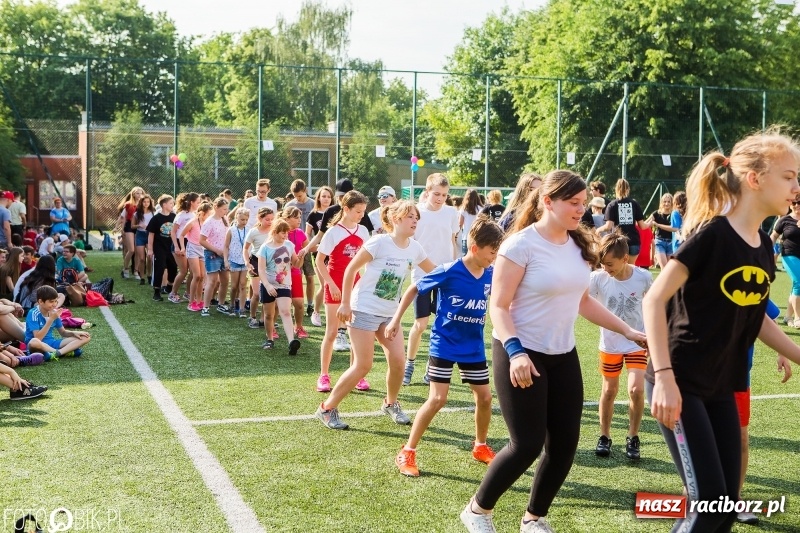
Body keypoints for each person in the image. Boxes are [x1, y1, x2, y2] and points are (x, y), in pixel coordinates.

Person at [459, 170, 645, 533]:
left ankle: (534, 517)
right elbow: (499, 305)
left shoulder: (579, 244)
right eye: (573, 204)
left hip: (563, 354)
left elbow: (584, 300)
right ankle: (478, 510)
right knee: (526, 444)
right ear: (547, 202)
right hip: (520, 351)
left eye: (582, 204)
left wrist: (628, 330)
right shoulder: (520, 245)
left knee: (564, 445)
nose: (581, 210)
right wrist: (515, 352)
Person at [643, 130, 800, 532]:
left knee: (723, 509)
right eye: (789, 177)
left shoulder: (764, 245)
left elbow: (758, 318)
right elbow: (653, 300)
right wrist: (663, 379)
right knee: (710, 504)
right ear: (755, 179)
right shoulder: (711, 235)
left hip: (720, 386)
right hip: (679, 382)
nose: (796, 187)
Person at [388, 216, 504, 477]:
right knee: (438, 399)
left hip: (473, 346)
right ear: (474, 248)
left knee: (485, 398)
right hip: (445, 344)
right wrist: (396, 319)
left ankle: (480, 446)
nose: (493, 258)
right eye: (491, 253)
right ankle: (408, 451)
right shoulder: (449, 270)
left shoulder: (491, 273)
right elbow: (413, 290)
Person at [315, 200, 435, 430]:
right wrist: (346, 303)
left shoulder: (415, 247)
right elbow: (351, 269)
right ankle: (327, 408)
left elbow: (436, 272)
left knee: (399, 361)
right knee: (363, 365)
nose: (415, 221)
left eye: (416, 218)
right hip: (363, 309)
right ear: (397, 219)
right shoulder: (379, 242)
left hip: (389, 315)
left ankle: (390, 403)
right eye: (411, 217)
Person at [589, 231, 652, 460]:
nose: (606, 268)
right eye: (602, 264)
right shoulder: (598, 279)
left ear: (625, 259)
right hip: (610, 344)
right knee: (609, 390)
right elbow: (581, 300)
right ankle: (604, 436)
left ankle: (633, 436)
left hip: (636, 342)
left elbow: (654, 304)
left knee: (636, 390)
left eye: (610, 264)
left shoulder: (643, 277)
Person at [403, 173, 460, 385]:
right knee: (420, 325)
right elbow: (410, 243)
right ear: (427, 192)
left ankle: (431, 368)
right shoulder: (417, 213)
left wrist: (456, 268)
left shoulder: (452, 213)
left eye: (444, 195)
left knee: (442, 324)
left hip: (446, 276)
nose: (440, 198)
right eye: (436, 194)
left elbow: (454, 241)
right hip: (422, 275)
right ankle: (409, 365)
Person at [314, 191, 370, 393]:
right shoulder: (333, 232)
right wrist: (331, 284)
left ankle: (356, 375)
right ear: (346, 209)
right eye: (357, 211)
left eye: (363, 211)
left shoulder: (363, 231)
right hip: (335, 287)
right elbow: (320, 261)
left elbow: (366, 261)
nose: (361, 215)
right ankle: (324, 375)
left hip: (356, 288)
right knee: (331, 332)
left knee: (355, 332)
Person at [257, 218, 302, 355]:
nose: (285, 236)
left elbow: (296, 265)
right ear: (275, 232)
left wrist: (300, 258)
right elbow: (261, 270)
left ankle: (291, 342)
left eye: (287, 233)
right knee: (269, 315)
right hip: (268, 284)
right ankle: (269, 339)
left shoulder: (289, 245)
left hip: (284, 285)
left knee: (285, 311)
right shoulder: (265, 248)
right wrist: (267, 285)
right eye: (283, 233)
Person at [25, 285, 90, 359]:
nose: (54, 304)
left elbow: (63, 332)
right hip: (38, 345)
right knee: (34, 342)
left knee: (85, 337)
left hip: (52, 343)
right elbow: (38, 337)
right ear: (40, 301)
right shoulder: (33, 313)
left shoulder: (54, 312)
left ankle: (58, 353)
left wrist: (73, 333)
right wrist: (51, 320)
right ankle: (63, 352)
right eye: (51, 302)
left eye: (56, 301)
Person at [596, 178, 648, 264]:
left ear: (616, 189)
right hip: (633, 241)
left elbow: (608, 226)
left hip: (619, 243)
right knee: (630, 269)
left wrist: (598, 230)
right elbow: (642, 226)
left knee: (619, 270)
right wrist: (651, 222)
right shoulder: (634, 204)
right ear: (628, 189)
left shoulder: (612, 205)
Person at [286, 179, 316, 316]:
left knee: (309, 276)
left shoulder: (313, 204)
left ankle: (310, 304)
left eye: (300, 195)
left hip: (306, 244)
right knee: (293, 276)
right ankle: (293, 304)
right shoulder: (290, 205)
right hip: (292, 246)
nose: (297, 198)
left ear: (305, 191)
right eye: (295, 195)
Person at [306, 186, 333, 327]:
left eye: (328, 196)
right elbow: (308, 236)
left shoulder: (336, 213)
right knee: (324, 285)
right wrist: (310, 247)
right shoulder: (313, 215)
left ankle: (334, 314)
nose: (326, 199)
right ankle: (316, 312)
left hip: (335, 255)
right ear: (318, 198)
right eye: (323, 196)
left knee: (335, 285)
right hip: (320, 254)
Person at [771, 196, 800, 328]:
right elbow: (774, 236)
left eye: (799, 203)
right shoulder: (785, 219)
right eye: (794, 203)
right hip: (789, 255)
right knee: (799, 282)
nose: (796, 205)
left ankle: (788, 316)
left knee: (796, 285)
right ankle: (798, 318)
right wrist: (765, 249)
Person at [243, 207, 275, 329]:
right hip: (255, 263)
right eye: (267, 219)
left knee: (267, 293)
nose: (270, 222)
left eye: (272, 219)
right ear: (260, 218)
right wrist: (247, 262)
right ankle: (252, 317)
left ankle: (264, 319)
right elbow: (245, 248)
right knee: (256, 293)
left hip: (269, 264)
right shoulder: (253, 232)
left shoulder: (273, 231)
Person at [199, 198, 230, 317]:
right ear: (216, 207)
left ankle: (221, 304)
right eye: (224, 209)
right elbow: (201, 240)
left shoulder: (224, 219)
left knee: (225, 281)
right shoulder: (209, 222)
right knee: (211, 281)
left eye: (227, 209)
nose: (226, 211)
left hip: (224, 254)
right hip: (212, 254)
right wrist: (216, 250)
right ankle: (205, 307)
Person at [180, 200, 212, 312]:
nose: (210, 216)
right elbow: (181, 235)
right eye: (209, 214)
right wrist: (182, 247)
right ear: (202, 213)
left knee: (202, 276)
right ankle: (191, 301)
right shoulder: (193, 222)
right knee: (197, 275)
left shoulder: (207, 223)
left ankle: (199, 301)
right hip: (192, 248)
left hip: (202, 249)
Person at [284, 206, 309, 337]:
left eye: (300, 217)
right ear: (287, 218)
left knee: (298, 303)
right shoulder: (279, 232)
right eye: (296, 217)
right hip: (280, 274)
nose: (300, 220)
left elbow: (309, 246)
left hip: (295, 272)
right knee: (278, 305)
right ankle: (272, 329)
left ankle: (298, 327)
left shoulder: (300, 233)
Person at [146, 194, 177, 302]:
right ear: (164, 205)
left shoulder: (174, 217)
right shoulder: (156, 218)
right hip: (159, 247)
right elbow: (151, 234)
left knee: (173, 267)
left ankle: (169, 285)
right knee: (160, 267)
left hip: (171, 247)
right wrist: (150, 249)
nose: (173, 205)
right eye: (170, 203)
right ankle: (157, 291)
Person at [223, 207, 250, 318]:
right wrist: (226, 260)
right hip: (233, 260)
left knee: (243, 285)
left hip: (244, 261)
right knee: (234, 286)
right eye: (242, 219)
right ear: (236, 218)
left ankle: (242, 308)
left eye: (246, 220)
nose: (244, 222)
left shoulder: (248, 230)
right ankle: (232, 305)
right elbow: (225, 246)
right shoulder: (231, 230)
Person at [115, 187, 143, 277]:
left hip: (139, 228)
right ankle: (126, 268)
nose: (139, 195)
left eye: (140, 193)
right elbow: (122, 217)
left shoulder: (144, 204)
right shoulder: (129, 205)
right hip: (129, 227)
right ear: (133, 194)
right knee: (131, 250)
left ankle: (136, 271)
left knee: (138, 252)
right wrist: (116, 227)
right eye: (137, 193)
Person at [646, 193, 676, 269]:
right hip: (660, 242)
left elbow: (674, 228)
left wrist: (657, 224)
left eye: (669, 202)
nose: (666, 204)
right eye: (665, 201)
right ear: (662, 203)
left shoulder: (673, 214)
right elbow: (646, 224)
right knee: (664, 268)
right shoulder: (656, 214)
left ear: (672, 203)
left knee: (670, 269)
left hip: (671, 242)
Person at [133, 194, 156, 284]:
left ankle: (149, 275)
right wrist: (139, 225)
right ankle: (142, 277)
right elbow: (132, 226)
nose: (146, 203)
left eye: (148, 202)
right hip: (140, 235)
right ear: (141, 202)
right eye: (144, 202)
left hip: (149, 234)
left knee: (150, 257)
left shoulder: (153, 213)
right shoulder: (137, 213)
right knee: (142, 258)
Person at [459, 188, 483, 256]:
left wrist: (456, 236)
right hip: (478, 237)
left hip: (466, 237)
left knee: (465, 257)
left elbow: (460, 224)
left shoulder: (464, 209)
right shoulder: (481, 209)